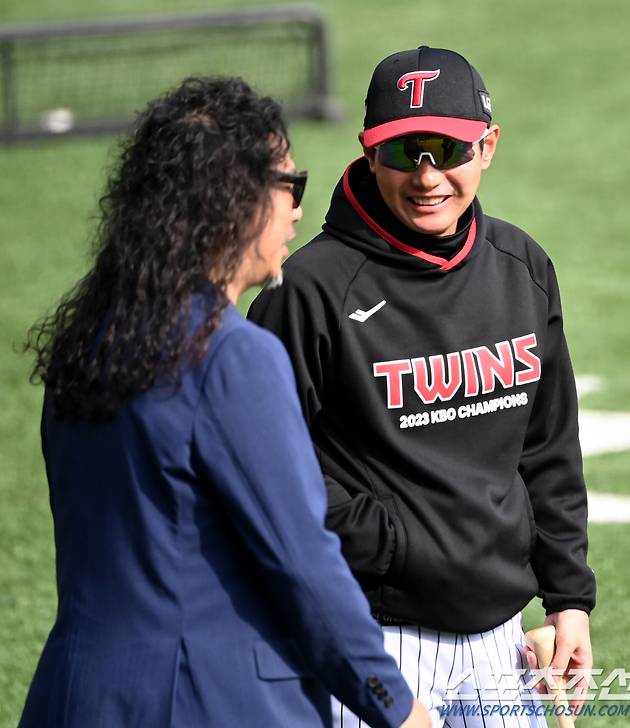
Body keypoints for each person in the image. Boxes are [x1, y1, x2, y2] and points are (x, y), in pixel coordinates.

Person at [19, 76, 431, 728]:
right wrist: (397, 705)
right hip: (211, 704)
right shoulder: (235, 356)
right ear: (233, 199)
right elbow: (303, 564)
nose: (298, 209)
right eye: (289, 186)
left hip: (74, 698)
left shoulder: (88, 342)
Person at [249, 47, 596, 727]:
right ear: (369, 153)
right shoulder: (309, 293)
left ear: (488, 145)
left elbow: (548, 445)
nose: (428, 176)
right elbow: (268, 468)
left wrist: (568, 598)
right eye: (406, 152)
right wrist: (395, 545)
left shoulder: (520, 266)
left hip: (502, 639)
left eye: (449, 149)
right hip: (375, 635)